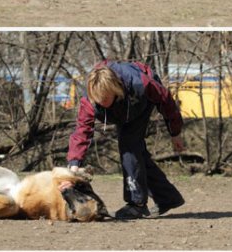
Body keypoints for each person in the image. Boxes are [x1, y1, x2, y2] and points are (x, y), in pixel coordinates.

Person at [64, 60, 186, 219]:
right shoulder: (90, 100)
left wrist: (175, 132)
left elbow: (166, 102)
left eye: (105, 99)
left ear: (116, 89)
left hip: (139, 103)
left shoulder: (142, 84)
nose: (102, 103)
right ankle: (167, 197)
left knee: (129, 147)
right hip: (123, 107)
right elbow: (82, 131)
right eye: (98, 100)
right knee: (135, 152)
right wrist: (74, 164)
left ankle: (137, 205)